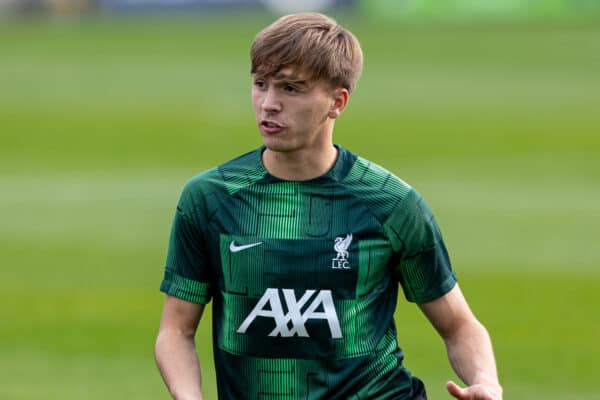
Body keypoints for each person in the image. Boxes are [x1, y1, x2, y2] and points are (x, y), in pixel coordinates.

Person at [154, 12, 502, 400]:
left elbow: (458, 325)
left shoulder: (390, 203)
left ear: (337, 101)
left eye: (291, 88)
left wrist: (486, 381)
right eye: (260, 84)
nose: (269, 104)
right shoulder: (211, 198)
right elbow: (176, 331)